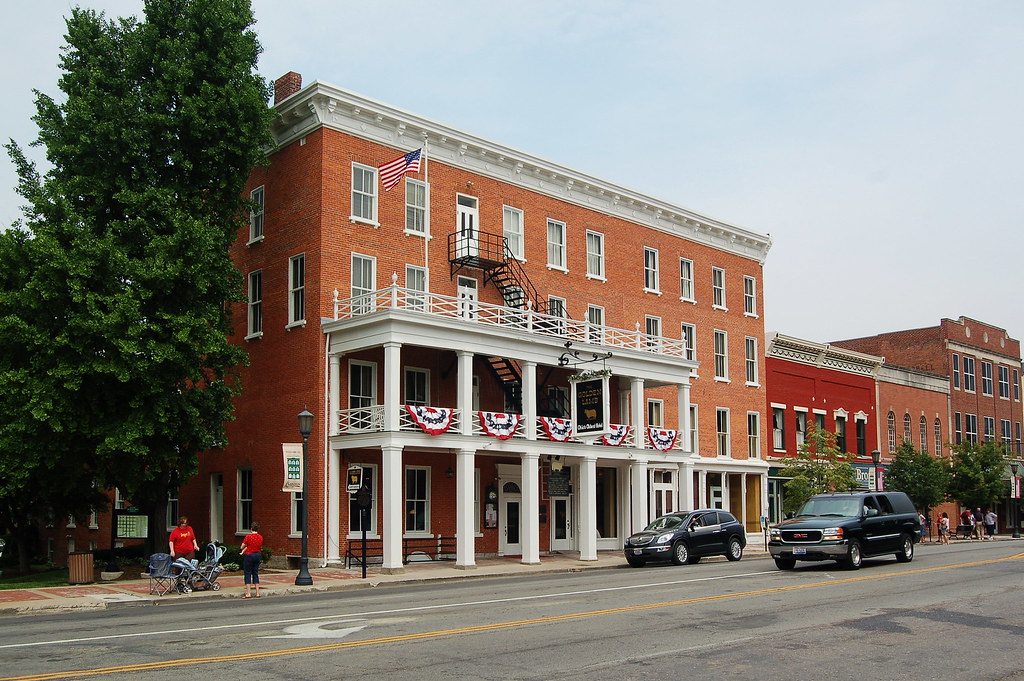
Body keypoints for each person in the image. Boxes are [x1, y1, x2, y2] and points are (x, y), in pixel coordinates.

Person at [241, 521, 263, 599]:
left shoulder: (248, 537)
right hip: (257, 555)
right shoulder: (260, 537)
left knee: (247, 573)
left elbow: (242, 546)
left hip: (249, 555)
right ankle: (257, 592)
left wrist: (243, 549)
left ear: (251, 528)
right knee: (255, 573)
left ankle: (248, 593)